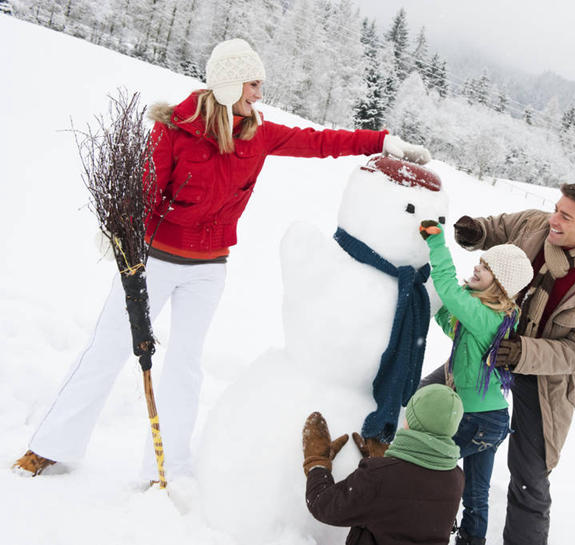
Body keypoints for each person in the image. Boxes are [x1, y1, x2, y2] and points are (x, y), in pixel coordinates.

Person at [12, 38, 431, 482]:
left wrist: (382, 141)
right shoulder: (174, 129)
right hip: (152, 261)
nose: (259, 94)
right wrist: (122, 235)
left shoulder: (258, 134)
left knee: (186, 365)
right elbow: (147, 193)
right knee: (108, 349)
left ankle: (169, 465)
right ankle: (50, 446)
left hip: (208, 268)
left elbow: (318, 142)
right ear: (228, 84)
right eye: (253, 84)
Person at [422, 182, 575, 544]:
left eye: (566, 216)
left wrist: (523, 352)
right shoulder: (536, 225)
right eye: (556, 208)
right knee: (422, 402)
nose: (554, 219)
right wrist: (476, 231)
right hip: (485, 358)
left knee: (529, 475)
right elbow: (498, 229)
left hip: (541, 377)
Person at [419, 221, 533, 545]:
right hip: (492, 421)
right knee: (475, 494)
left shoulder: (487, 318)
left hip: (476, 420)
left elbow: (451, 295)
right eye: (480, 261)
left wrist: (437, 246)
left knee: (432, 467)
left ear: (499, 285)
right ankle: (471, 539)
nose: (477, 266)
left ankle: (423, 530)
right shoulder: (486, 317)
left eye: (485, 267)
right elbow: (451, 320)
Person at [302, 384, 465, 545]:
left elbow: (323, 505)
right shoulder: (456, 477)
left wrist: (317, 463)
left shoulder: (378, 477)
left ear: (414, 423)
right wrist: (385, 462)